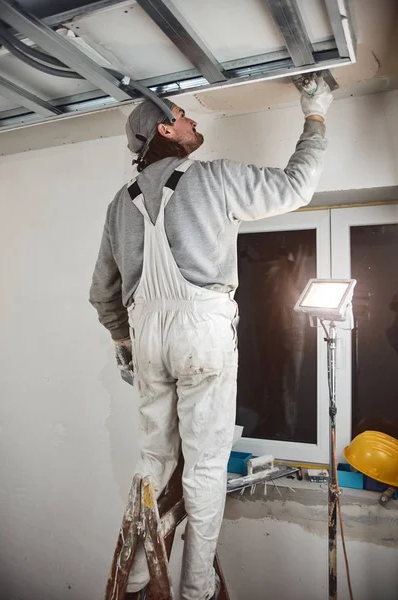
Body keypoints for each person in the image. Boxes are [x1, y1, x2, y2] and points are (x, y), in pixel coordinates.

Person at [89, 77, 333, 600]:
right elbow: (296, 187)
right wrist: (315, 115)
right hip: (201, 328)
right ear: (164, 129)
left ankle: (135, 575)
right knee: (204, 462)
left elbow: (102, 292)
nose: (194, 122)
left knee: (154, 456)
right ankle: (195, 587)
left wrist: (123, 342)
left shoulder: (119, 203)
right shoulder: (211, 178)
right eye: (184, 115)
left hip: (147, 332)